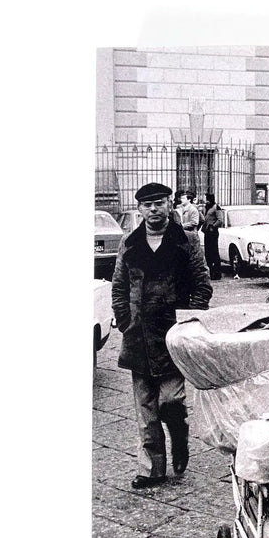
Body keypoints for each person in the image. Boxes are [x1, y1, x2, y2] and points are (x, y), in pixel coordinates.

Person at [111, 182, 213, 489]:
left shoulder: (187, 240)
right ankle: (151, 469)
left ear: (170, 205)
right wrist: (126, 319)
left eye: (159, 203)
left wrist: (187, 320)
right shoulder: (129, 243)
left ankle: (179, 439)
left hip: (173, 334)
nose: (154, 209)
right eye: (147, 205)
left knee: (171, 401)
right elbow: (119, 287)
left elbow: (202, 284)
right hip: (139, 336)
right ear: (139, 209)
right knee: (146, 409)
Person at [200, 192, 224, 280]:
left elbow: (220, 219)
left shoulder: (216, 207)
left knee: (214, 252)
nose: (205, 201)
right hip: (207, 232)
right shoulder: (207, 207)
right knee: (208, 252)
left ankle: (217, 273)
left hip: (212, 231)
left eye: (206, 199)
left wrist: (213, 226)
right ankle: (211, 271)